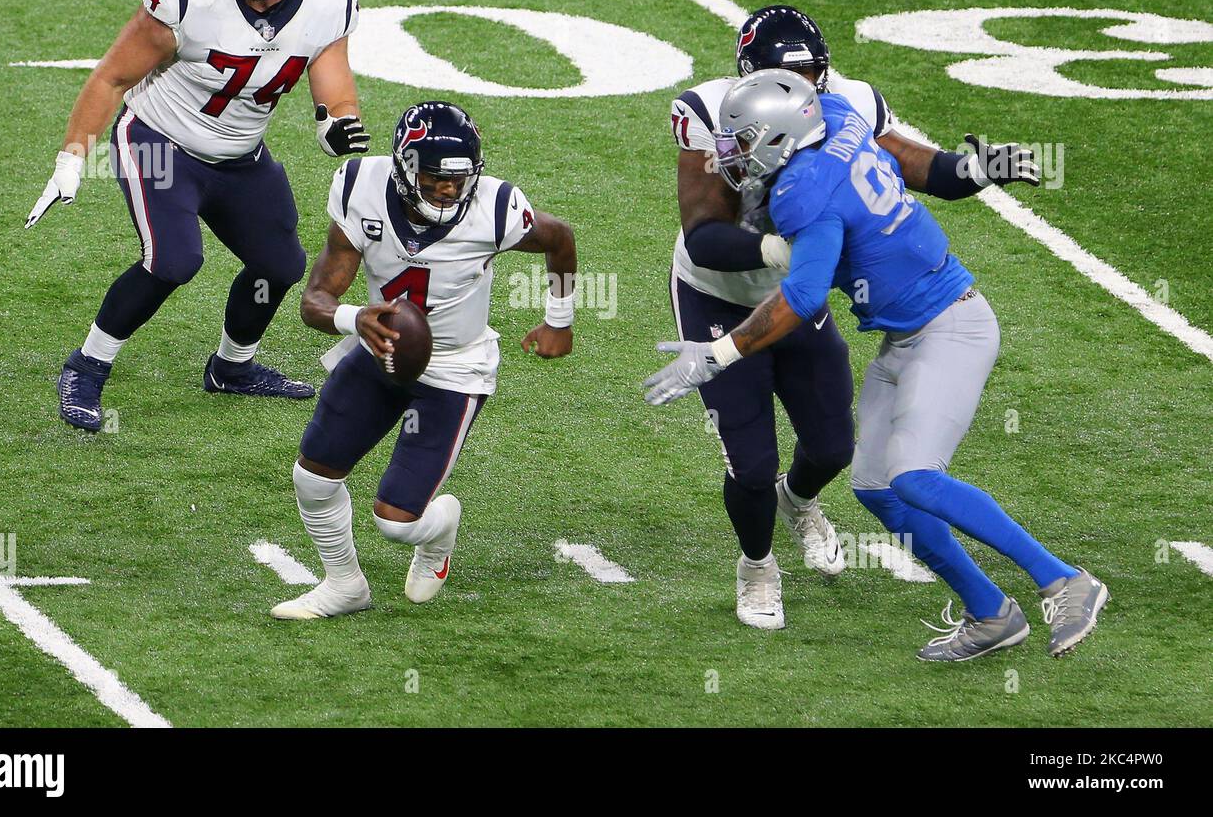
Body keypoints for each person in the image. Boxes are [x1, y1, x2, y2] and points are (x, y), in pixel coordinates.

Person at [647, 70, 1107, 660]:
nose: (730, 153)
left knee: (914, 476)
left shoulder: (801, 192)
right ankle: (990, 613)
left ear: (781, 135)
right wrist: (969, 170)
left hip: (949, 326)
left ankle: (1065, 580)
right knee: (875, 488)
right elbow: (910, 167)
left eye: (743, 139)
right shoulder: (837, 114)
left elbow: (804, 297)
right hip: (905, 335)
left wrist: (717, 355)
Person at [25, 0, 369, 431]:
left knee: (280, 263)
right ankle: (86, 366)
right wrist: (72, 157)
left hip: (240, 153)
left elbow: (333, 83)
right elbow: (112, 78)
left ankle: (231, 368)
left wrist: (336, 123)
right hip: (160, 141)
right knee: (174, 260)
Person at [272, 102, 577, 619]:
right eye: (437, 178)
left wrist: (559, 319)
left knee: (396, 521)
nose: (449, 190)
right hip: (380, 352)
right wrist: (356, 319)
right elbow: (315, 301)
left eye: (460, 179)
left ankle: (441, 529)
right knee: (313, 478)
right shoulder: (359, 187)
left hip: (455, 368)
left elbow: (559, 237)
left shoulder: (497, 207)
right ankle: (345, 585)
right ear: (406, 166)